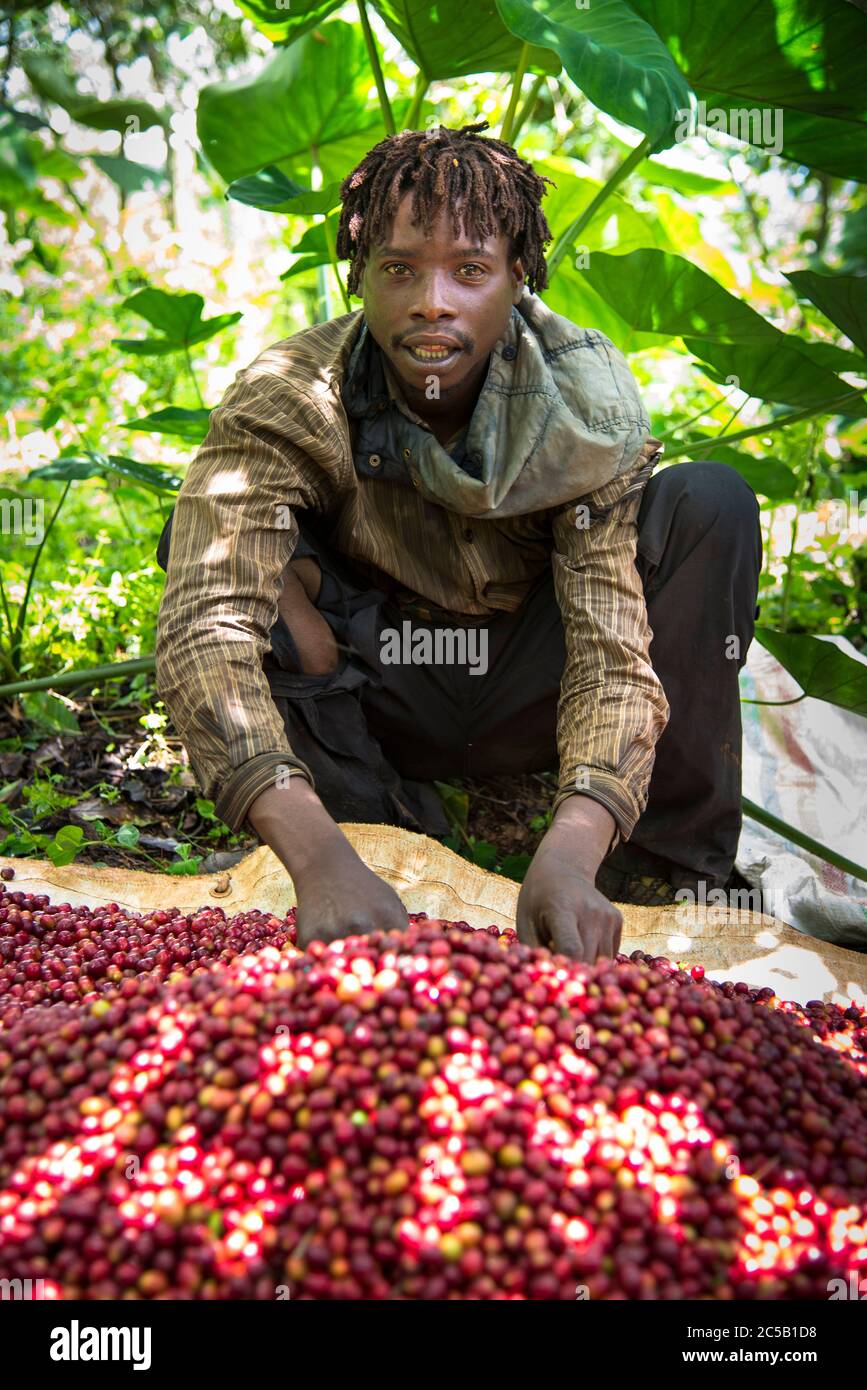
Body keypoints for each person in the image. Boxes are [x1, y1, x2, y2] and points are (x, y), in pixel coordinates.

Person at [155, 121, 762, 962]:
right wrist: (316, 853)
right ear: (358, 277)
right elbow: (207, 620)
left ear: (520, 278)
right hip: (381, 680)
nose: (431, 300)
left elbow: (610, 649)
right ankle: (363, 820)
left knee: (709, 501)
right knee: (204, 534)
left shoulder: (583, 412)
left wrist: (572, 847)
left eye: (470, 270)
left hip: (528, 685)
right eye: (398, 269)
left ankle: (661, 864)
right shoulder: (293, 392)